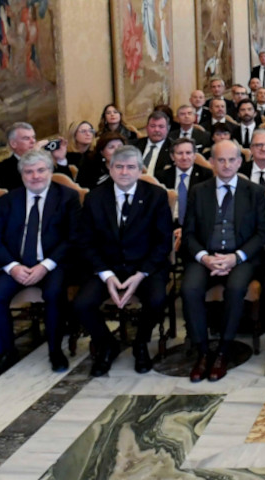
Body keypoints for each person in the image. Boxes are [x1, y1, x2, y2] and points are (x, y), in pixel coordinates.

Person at [73, 145, 172, 376]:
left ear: (140, 170)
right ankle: (107, 344)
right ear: (110, 168)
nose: (124, 172)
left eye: (130, 167)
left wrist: (140, 275)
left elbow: (163, 242)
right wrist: (107, 275)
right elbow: (85, 242)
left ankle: (140, 344)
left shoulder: (156, 196)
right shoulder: (95, 197)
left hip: (145, 267)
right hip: (107, 266)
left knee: (157, 300)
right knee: (82, 304)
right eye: (119, 167)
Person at [0, 150, 79, 376]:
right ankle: (6, 351)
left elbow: (73, 238)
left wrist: (45, 265)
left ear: (50, 170)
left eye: (40, 170)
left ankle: (55, 350)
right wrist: (12, 267)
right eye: (29, 172)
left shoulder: (67, 197)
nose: (35, 176)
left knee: (55, 293)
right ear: (21, 175)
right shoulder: (7, 201)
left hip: (51, 264)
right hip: (15, 265)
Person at [182, 140, 265, 382]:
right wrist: (205, 257)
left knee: (236, 288)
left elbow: (262, 233)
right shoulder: (199, 191)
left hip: (241, 257)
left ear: (240, 162)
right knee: (189, 289)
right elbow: (188, 233)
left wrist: (235, 257)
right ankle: (202, 352)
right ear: (211, 163)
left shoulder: (254, 192)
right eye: (221, 160)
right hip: (205, 257)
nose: (227, 164)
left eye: (232, 160)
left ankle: (223, 350)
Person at [157, 138, 212, 224]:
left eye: (188, 153)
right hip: (168, 224)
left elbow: (206, 208)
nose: (184, 157)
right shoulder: (162, 176)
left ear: (194, 156)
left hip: (195, 225)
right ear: (172, 156)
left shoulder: (205, 175)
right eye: (180, 153)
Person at [0, 121, 37, 190]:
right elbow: (20, 190)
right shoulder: (2, 168)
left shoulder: (43, 160)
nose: (33, 141)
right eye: (26, 138)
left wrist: (60, 159)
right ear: (13, 144)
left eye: (33, 137)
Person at [133, 110, 174, 177]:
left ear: (168, 128)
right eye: (152, 126)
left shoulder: (174, 148)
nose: (156, 130)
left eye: (161, 126)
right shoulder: (134, 145)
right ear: (146, 128)